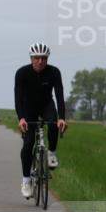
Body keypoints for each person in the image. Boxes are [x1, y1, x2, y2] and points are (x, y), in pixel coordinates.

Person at [14, 43, 67, 200]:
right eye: (37, 58)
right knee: (28, 143)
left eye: (43, 58)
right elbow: (18, 98)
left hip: (46, 105)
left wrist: (62, 118)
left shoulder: (54, 72)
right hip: (28, 108)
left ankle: (51, 153)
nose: (40, 61)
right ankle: (26, 182)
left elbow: (59, 96)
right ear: (31, 58)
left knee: (53, 123)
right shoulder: (22, 73)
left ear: (47, 59)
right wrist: (21, 118)